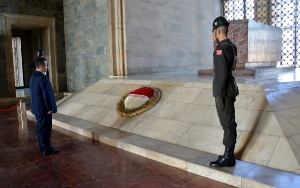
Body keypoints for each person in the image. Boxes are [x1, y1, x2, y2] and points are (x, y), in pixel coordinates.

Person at [210, 16, 239, 167]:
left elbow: (220, 75)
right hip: (231, 88)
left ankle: (229, 157)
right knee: (229, 122)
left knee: (227, 124)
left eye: (214, 32)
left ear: (218, 31)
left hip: (224, 92)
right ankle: (229, 154)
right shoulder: (232, 46)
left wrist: (218, 95)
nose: (213, 35)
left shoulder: (220, 49)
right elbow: (231, 68)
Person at [30, 58, 59, 155]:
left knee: (41, 128)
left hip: (38, 108)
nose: (47, 67)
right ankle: (46, 149)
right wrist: (49, 108)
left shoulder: (34, 76)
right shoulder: (42, 78)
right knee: (45, 129)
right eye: (46, 65)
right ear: (42, 67)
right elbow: (45, 95)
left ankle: (43, 147)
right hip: (44, 110)